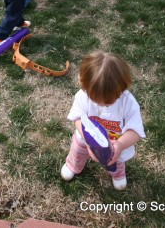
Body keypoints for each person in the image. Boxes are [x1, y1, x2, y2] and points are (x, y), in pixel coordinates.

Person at [61, 51, 145, 190]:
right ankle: (73, 166)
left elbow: (135, 131)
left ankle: (117, 174)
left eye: (108, 103)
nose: (101, 105)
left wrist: (120, 145)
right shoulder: (83, 96)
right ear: (84, 85)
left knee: (116, 160)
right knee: (77, 151)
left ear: (122, 89)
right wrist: (88, 141)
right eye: (95, 100)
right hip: (84, 139)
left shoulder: (128, 103)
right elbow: (77, 118)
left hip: (115, 144)